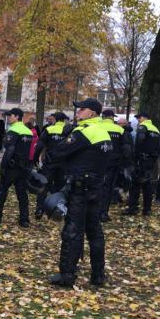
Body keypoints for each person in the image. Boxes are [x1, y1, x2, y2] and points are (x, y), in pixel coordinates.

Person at [47, 98, 111, 287]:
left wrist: (65, 137)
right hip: (96, 188)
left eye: (81, 109)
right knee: (95, 232)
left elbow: (58, 152)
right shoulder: (103, 132)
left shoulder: (85, 132)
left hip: (80, 189)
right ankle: (98, 274)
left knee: (72, 232)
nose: (78, 112)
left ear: (92, 112)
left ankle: (67, 275)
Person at [0, 108, 34, 227]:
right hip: (24, 166)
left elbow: (9, 150)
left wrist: (3, 166)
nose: (9, 117)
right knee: (22, 193)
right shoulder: (28, 131)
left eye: (10, 115)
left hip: (12, 166)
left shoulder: (14, 130)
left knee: (1, 191)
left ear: (17, 116)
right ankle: (24, 219)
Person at [33, 111, 72, 219]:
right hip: (64, 164)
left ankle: (39, 209)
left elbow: (40, 146)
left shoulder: (49, 129)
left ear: (55, 119)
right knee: (60, 188)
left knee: (44, 186)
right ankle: (57, 210)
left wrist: (35, 159)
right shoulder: (70, 131)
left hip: (50, 163)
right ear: (64, 120)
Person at [124, 112, 160, 216]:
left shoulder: (143, 127)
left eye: (139, 117)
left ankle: (133, 207)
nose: (138, 120)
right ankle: (147, 209)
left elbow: (139, 141)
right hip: (151, 160)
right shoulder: (155, 129)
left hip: (141, 159)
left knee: (135, 184)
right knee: (148, 184)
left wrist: (135, 156)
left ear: (145, 117)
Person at [99, 109, 131, 222]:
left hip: (96, 162)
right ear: (112, 117)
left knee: (95, 187)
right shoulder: (120, 129)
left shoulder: (96, 127)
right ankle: (103, 213)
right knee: (108, 187)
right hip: (113, 163)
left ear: (103, 117)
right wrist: (125, 164)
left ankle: (92, 213)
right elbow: (126, 149)